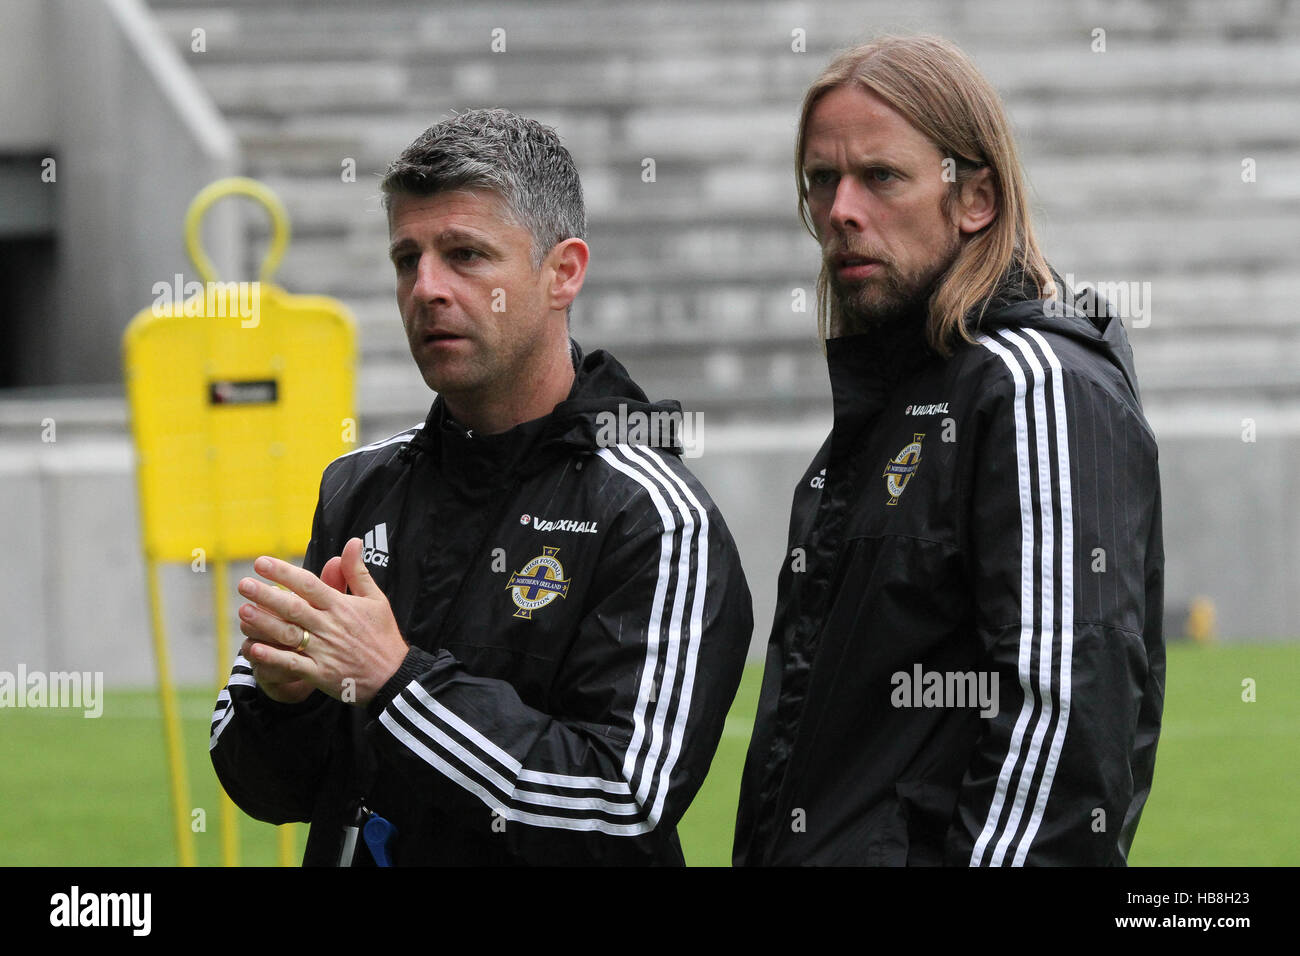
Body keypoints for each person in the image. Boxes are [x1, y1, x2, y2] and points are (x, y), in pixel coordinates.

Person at [209, 108, 753, 866]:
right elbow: (274, 793)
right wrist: (280, 702)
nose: (427, 288)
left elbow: (617, 807)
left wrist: (397, 683)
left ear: (563, 273)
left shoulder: (655, 517)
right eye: (408, 259)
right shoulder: (357, 488)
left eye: (464, 255)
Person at [732, 35, 1164, 866]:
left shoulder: (1034, 386)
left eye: (881, 177)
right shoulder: (886, 404)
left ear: (976, 199)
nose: (842, 211)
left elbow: (1063, 714)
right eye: (822, 181)